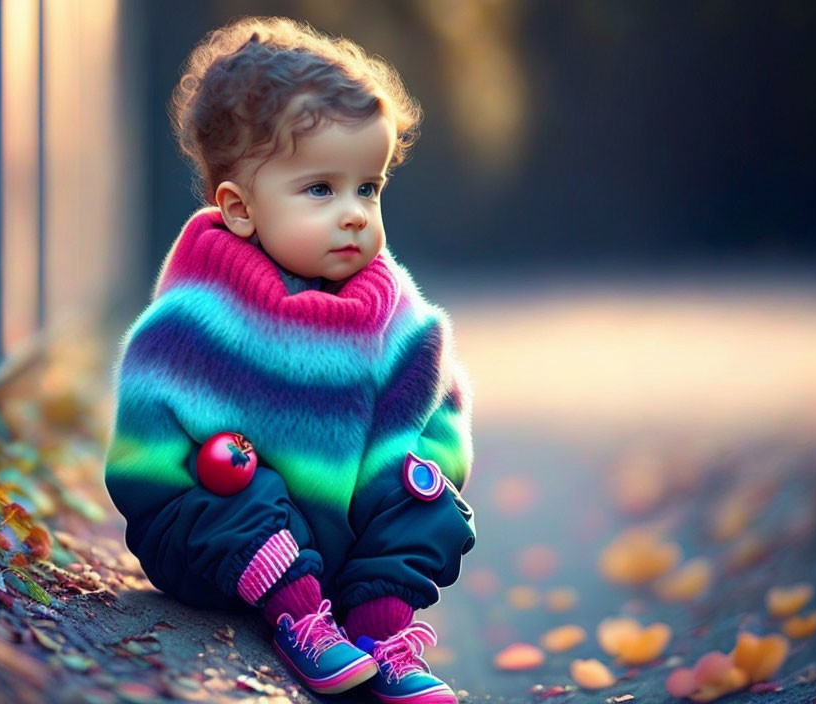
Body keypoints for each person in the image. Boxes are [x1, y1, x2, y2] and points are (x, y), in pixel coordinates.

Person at [104, 16, 475, 704]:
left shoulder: (400, 319)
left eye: (369, 187)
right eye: (320, 190)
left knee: (428, 498)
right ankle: (299, 618)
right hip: (220, 542)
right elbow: (144, 465)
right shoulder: (192, 321)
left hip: (343, 542)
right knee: (232, 493)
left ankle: (378, 631)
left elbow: (439, 418)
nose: (356, 214)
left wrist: (415, 473)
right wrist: (208, 471)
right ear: (240, 209)